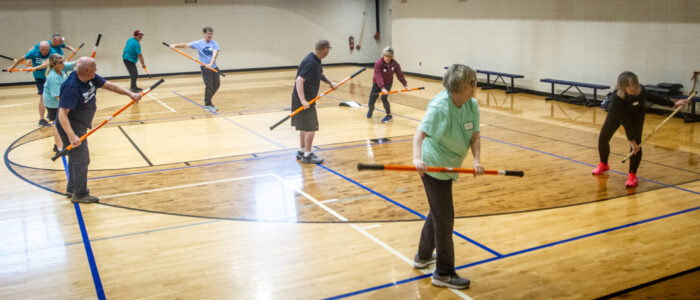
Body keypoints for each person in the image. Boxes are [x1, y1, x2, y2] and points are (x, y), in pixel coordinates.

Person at [412, 64, 483, 289]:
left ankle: (423, 256)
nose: (474, 86)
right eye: (470, 83)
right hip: (433, 167)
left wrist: (476, 160)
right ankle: (443, 272)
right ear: (458, 87)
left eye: (474, 82)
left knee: (438, 212)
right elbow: (419, 135)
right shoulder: (440, 106)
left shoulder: (471, 105)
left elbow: (475, 137)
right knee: (445, 218)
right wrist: (416, 159)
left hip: (451, 165)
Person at [56, 57, 142, 203]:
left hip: (80, 124)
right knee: (81, 159)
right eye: (94, 68)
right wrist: (71, 135)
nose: (97, 70)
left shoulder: (90, 77)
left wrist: (130, 94)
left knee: (75, 157)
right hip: (70, 126)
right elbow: (62, 114)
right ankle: (80, 194)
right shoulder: (71, 87)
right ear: (87, 70)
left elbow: (110, 86)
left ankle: (72, 188)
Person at [592, 71, 688, 187]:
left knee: (636, 146)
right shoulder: (617, 97)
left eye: (634, 84)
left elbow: (654, 97)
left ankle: (632, 175)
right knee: (603, 138)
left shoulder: (640, 91)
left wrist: (673, 104)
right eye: (628, 85)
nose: (632, 88)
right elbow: (624, 120)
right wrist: (630, 139)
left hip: (636, 116)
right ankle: (603, 164)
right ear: (622, 86)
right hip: (617, 115)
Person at [291, 39, 337, 164]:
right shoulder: (311, 62)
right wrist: (303, 100)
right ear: (325, 49)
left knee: (304, 127)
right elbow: (299, 81)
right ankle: (308, 155)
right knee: (311, 127)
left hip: (304, 99)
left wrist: (330, 82)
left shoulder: (315, 60)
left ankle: (302, 151)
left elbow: (320, 74)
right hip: (304, 100)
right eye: (329, 49)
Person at [170, 26, 221, 111]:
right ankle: (208, 104)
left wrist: (211, 64)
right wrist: (175, 45)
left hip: (214, 67)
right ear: (204, 34)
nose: (210, 36)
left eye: (211, 34)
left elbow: (215, 54)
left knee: (217, 85)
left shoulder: (214, 43)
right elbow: (186, 45)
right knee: (209, 86)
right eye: (208, 34)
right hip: (205, 68)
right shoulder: (198, 43)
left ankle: (206, 98)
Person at [6, 41, 56, 126]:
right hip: (40, 78)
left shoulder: (53, 52)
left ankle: (53, 116)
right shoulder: (34, 52)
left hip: (51, 77)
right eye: (43, 50)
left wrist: (34, 67)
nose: (45, 52)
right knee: (43, 97)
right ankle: (42, 119)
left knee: (54, 96)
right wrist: (12, 67)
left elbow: (47, 63)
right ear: (39, 49)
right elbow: (22, 58)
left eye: (46, 50)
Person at [43, 54, 76, 153]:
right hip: (53, 103)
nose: (63, 64)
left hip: (60, 99)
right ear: (54, 64)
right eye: (61, 63)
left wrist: (86, 61)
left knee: (61, 123)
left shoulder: (62, 69)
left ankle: (58, 144)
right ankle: (59, 149)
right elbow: (58, 96)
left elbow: (74, 64)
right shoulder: (53, 77)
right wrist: (69, 105)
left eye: (63, 61)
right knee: (58, 125)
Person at [366, 46, 408, 123]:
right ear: (383, 55)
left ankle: (389, 115)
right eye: (386, 56)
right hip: (377, 83)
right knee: (371, 100)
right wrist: (382, 87)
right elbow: (378, 76)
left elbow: (400, 74)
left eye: (389, 56)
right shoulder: (378, 63)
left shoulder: (394, 64)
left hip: (388, 83)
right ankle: (370, 110)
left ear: (392, 56)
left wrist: (405, 84)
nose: (387, 58)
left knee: (384, 98)